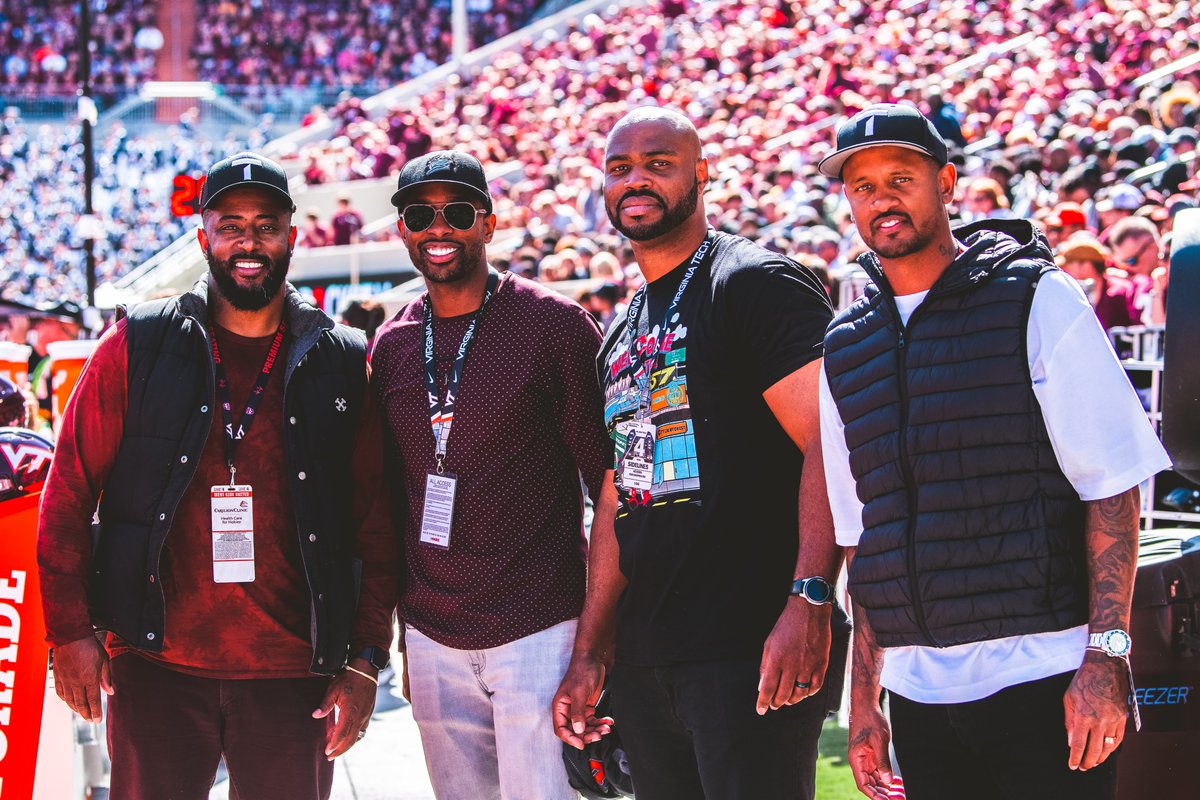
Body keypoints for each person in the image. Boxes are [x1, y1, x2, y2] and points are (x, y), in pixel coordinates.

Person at [816, 104, 1170, 800]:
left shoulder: (1038, 296)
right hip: (919, 694)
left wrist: (1107, 655)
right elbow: (865, 539)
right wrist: (864, 702)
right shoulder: (844, 344)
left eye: (900, 177)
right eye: (862, 186)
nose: (881, 197)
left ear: (946, 183)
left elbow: (1114, 487)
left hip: (1047, 673)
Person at [36, 151, 398, 800]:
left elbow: (375, 521)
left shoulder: (339, 357)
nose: (249, 242)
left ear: (292, 234)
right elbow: (66, 492)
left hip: (295, 671)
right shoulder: (137, 343)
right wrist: (68, 630)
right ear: (202, 235)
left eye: (266, 225)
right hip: (155, 664)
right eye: (231, 225)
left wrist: (366, 659)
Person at [553, 107, 849, 800]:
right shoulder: (622, 327)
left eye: (659, 163)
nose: (637, 180)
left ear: (701, 173)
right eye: (620, 168)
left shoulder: (753, 283)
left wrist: (810, 598)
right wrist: (592, 649)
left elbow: (831, 444)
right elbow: (617, 494)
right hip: (648, 654)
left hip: (750, 646)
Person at [370, 149, 611, 800]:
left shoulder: (555, 327)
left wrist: (596, 639)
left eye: (456, 212)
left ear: (489, 222)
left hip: (538, 625)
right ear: (402, 230)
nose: (438, 228)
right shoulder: (392, 344)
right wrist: (397, 637)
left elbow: (610, 485)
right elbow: (387, 501)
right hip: (430, 633)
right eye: (420, 214)